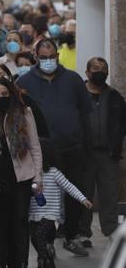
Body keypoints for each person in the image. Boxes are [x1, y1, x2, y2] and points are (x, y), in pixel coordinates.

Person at [19, 39, 91, 256]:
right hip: (45, 152)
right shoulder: (25, 81)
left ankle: (71, 236)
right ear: (36, 56)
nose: (48, 61)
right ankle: (47, 240)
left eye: (51, 57)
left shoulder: (73, 79)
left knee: (74, 194)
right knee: (45, 197)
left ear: (58, 56)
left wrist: (85, 142)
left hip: (73, 147)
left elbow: (85, 111)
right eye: (43, 57)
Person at [0, 77, 42, 268]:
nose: (1, 99)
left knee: (20, 222)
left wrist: (38, 176)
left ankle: (23, 267)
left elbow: (34, 146)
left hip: (21, 174)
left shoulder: (24, 113)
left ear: (11, 94)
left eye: (4, 95)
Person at [29, 139, 92, 268]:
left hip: (50, 214)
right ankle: (50, 263)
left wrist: (83, 199)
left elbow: (69, 186)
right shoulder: (30, 173)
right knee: (34, 238)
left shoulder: (54, 173)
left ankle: (43, 264)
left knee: (39, 235)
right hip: (34, 214)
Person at [82, 57, 126, 242]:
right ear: (87, 72)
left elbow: (122, 124)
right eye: (95, 68)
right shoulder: (79, 94)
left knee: (109, 193)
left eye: (103, 69)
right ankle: (82, 232)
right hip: (85, 154)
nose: (99, 72)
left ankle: (110, 229)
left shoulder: (115, 96)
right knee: (83, 193)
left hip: (109, 154)